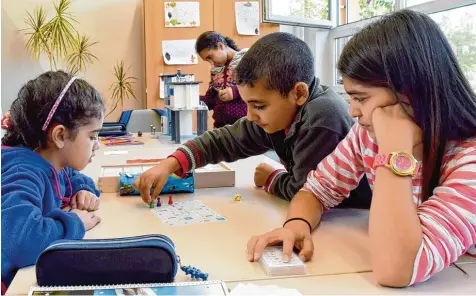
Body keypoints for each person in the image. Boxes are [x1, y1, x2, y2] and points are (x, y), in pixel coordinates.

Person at [246, 10, 476, 287]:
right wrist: (296, 226)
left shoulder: (468, 158)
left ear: (412, 92)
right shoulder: (367, 135)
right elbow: (316, 191)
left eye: (361, 98)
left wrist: (394, 152)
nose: (352, 111)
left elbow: (395, 270)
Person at [134, 32, 371, 207]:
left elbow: (306, 192)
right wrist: (171, 164)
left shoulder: (322, 117)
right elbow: (224, 140)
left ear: (298, 93)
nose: (250, 115)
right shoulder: (280, 113)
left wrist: (272, 178)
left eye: (259, 105)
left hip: (352, 219)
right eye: (247, 104)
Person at [1, 71, 103, 290]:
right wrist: (75, 223)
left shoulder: (53, 162)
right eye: (92, 136)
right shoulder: (23, 171)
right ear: (59, 136)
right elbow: (20, 241)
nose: (97, 145)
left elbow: (72, 177)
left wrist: (83, 190)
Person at [196, 31, 248, 128]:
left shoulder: (246, 60)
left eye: (210, 57)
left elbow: (259, 87)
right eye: (207, 60)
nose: (211, 62)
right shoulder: (216, 70)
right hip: (221, 127)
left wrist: (235, 91)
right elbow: (210, 100)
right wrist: (191, 99)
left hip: (244, 127)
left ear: (220, 46)